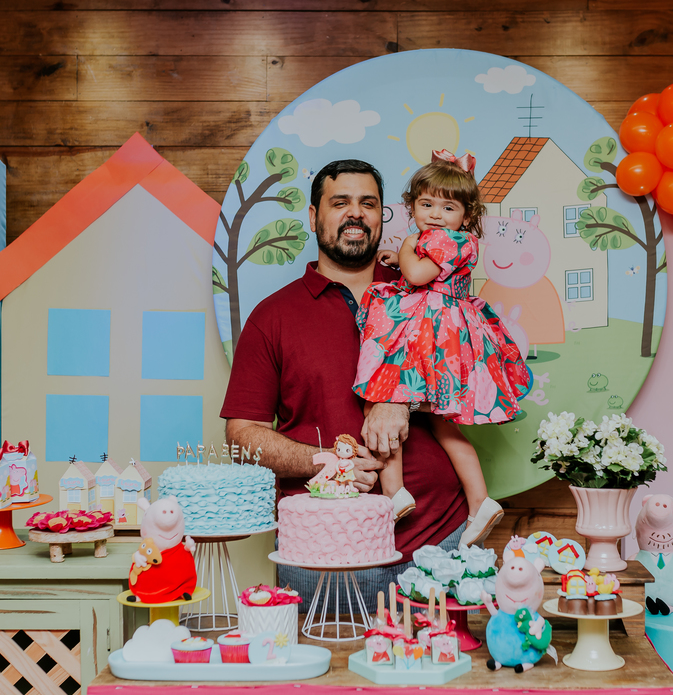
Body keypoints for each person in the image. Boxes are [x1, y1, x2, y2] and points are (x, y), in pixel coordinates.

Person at [221, 159, 468, 603]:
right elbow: (241, 436)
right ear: (314, 217)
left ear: (382, 216)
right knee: (327, 669)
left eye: (367, 203)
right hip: (324, 551)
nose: (355, 213)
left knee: (446, 669)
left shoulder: (428, 292)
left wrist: (402, 399)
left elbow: (471, 385)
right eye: (340, 202)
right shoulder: (272, 317)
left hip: (441, 537)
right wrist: (326, 463)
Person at [354, 151, 530, 546]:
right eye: (426, 204)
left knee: (385, 396)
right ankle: (478, 500)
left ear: (467, 215)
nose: (435, 213)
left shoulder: (450, 240)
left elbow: (417, 273)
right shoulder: (445, 241)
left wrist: (407, 247)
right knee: (438, 423)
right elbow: (423, 271)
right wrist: (401, 254)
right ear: (412, 205)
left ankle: (395, 493)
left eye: (447, 207)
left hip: (432, 337)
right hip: (434, 331)